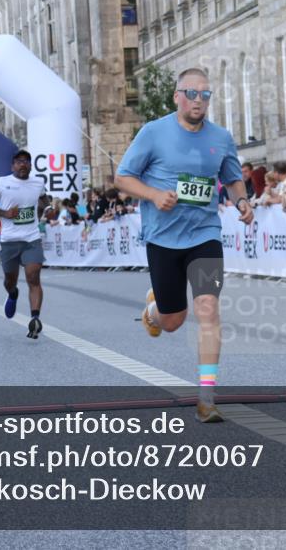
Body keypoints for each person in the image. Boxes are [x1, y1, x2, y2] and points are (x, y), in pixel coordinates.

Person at [114, 67, 253, 424]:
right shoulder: (153, 133)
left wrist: (241, 202)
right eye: (191, 93)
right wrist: (154, 194)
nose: (198, 101)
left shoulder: (220, 138)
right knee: (174, 320)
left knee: (207, 308)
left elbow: (233, 180)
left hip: (205, 235)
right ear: (177, 96)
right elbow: (122, 178)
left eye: (205, 94)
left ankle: (206, 396)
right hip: (163, 238)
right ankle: (153, 312)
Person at [0, 150, 51, 338]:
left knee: (33, 275)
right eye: (19, 162)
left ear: (30, 165)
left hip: (31, 238)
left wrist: (49, 208)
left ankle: (35, 318)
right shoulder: (2, 183)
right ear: (13, 166)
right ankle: (12, 294)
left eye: (26, 161)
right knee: (10, 281)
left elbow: (44, 198)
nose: (23, 164)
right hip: (10, 241)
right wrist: (5, 214)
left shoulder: (37, 183)